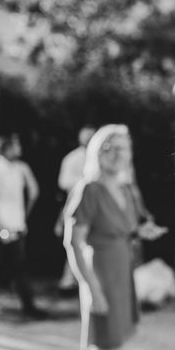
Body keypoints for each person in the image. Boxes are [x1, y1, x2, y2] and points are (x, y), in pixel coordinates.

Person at [64, 124, 166, 350]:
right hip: (101, 277)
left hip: (123, 275)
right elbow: (73, 242)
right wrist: (92, 289)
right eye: (111, 148)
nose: (119, 154)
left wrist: (143, 232)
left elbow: (125, 229)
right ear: (98, 151)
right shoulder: (89, 189)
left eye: (124, 148)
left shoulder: (124, 189)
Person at [0, 134, 46, 318]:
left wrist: (22, 219)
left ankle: (28, 305)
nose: (19, 149)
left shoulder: (19, 169)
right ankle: (28, 305)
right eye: (15, 146)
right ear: (6, 149)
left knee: (18, 266)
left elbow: (32, 193)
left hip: (16, 225)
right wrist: (1, 227)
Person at [56, 126, 96, 293]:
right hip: (76, 204)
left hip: (97, 206)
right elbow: (64, 183)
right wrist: (85, 183)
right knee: (76, 242)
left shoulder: (99, 156)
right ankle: (68, 281)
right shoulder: (72, 159)